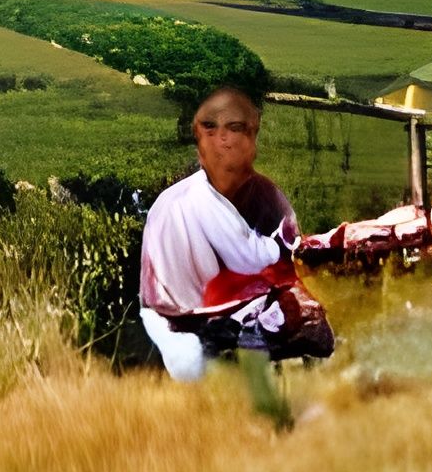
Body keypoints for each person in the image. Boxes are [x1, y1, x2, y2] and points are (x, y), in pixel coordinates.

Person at [139, 84, 331, 379]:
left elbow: (292, 259)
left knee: (314, 326)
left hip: (247, 313)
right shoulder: (186, 202)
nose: (225, 141)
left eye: (237, 129)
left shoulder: (267, 195)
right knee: (194, 365)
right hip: (179, 324)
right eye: (212, 129)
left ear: (252, 138)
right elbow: (250, 258)